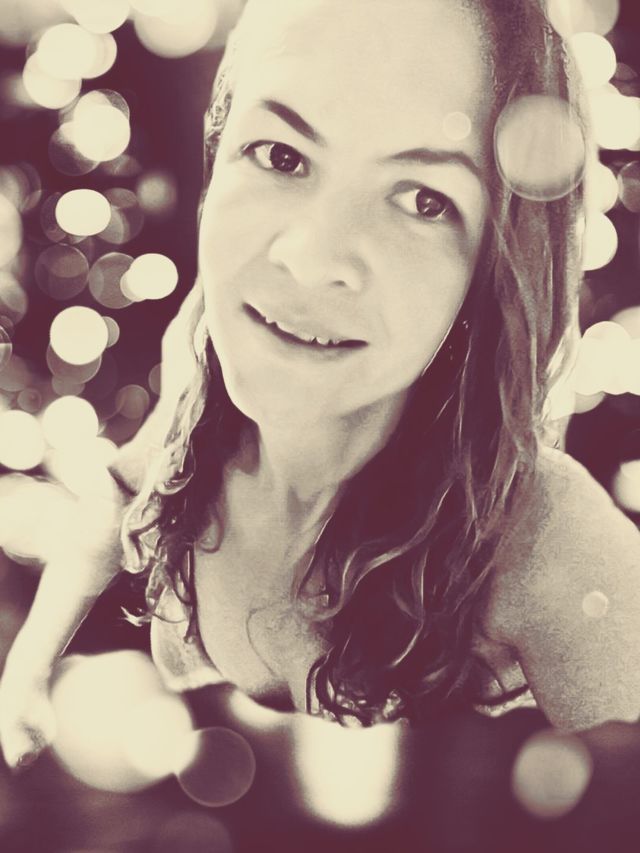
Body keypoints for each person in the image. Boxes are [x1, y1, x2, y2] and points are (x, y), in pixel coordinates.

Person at [2, 0, 640, 770]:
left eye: (424, 199)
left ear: (495, 270)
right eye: (280, 155)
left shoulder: (549, 540)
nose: (310, 257)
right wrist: (28, 669)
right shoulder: (201, 371)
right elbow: (119, 495)